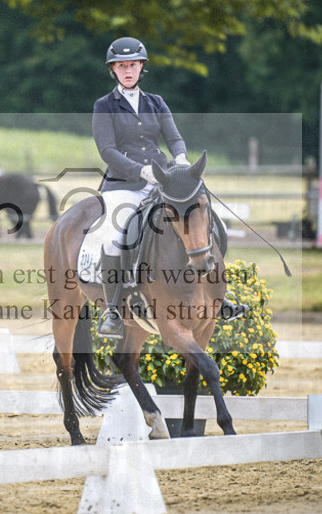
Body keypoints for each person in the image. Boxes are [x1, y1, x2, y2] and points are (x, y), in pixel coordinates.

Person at [92, 37, 243, 340]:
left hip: (163, 181)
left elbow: (173, 138)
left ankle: (218, 296)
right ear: (114, 70)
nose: (128, 70)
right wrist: (139, 170)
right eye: (121, 66)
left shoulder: (156, 102)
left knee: (208, 224)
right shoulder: (104, 106)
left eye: (132, 65)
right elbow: (107, 150)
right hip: (123, 184)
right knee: (114, 238)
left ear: (141, 67)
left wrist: (182, 161)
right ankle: (112, 310)